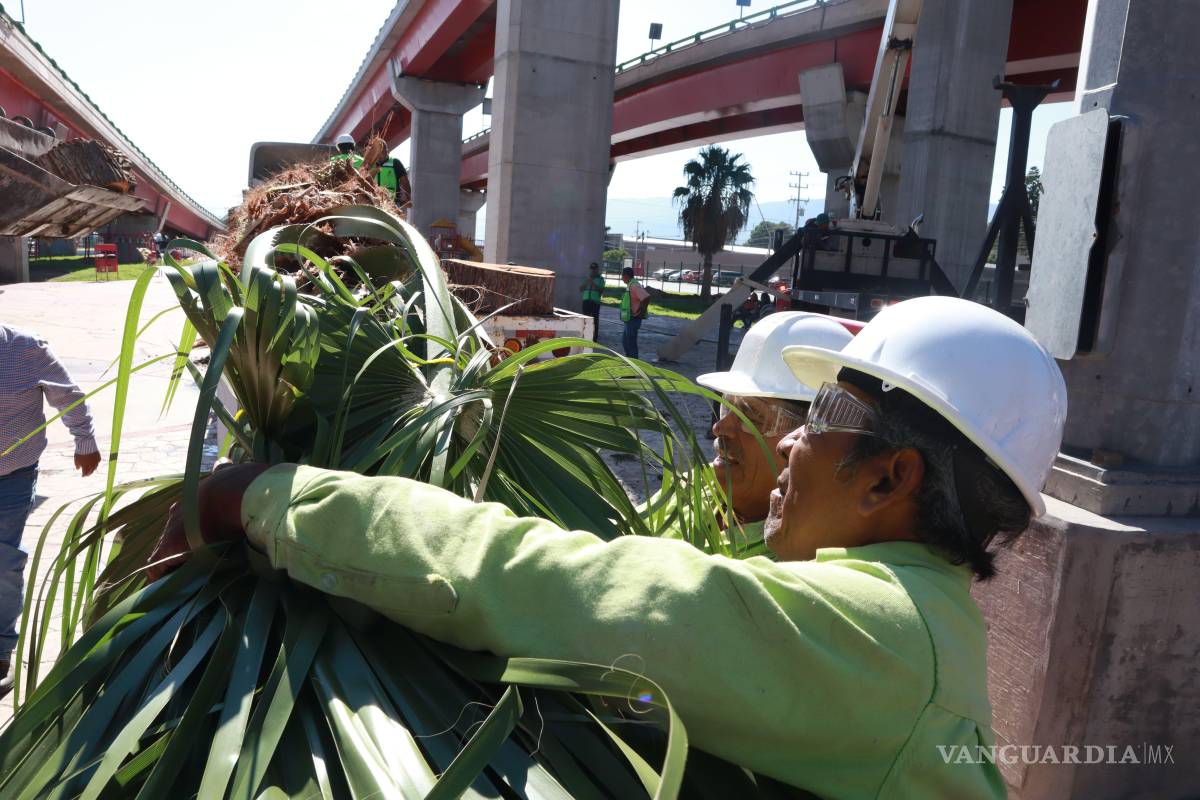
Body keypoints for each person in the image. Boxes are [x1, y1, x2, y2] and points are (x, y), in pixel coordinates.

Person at [149, 296, 1067, 798]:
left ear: (889, 478)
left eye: (822, 413)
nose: (788, 439)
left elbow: (557, 581)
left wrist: (264, 496)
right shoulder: (911, 623)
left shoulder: (877, 635)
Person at [642, 312, 853, 546]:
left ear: (809, 438)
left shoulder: (798, 555)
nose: (719, 427)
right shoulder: (695, 486)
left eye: (751, 415)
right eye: (726, 406)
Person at [1, 325, 101, 698]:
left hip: (11, 477)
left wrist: (85, 440)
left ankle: (0, 652)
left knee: (2, 561)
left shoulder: (25, 349)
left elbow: (68, 396)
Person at [619, 266, 647, 359]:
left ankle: (633, 361)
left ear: (626, 276)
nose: (621, 278)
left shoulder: (634, 285)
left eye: (622, 276)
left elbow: (646, 297)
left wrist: (641, 312)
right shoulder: (630, 284)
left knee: (630, 342)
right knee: (626, 341)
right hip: (629, 318)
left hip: (633, 318)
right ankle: (629, 360)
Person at [579, 262, 604, 341]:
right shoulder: (586, 278)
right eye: (592, 269)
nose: (593, 271)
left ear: (597, 269)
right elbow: (580, 289)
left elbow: (601, 290)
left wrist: (592, 283)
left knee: (595, 321)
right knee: (585, 320)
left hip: (595, 302)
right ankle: (585, 337)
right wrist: (587, 281)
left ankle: (594, 339)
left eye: (594, 269)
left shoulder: (601, 279)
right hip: (586, 301)